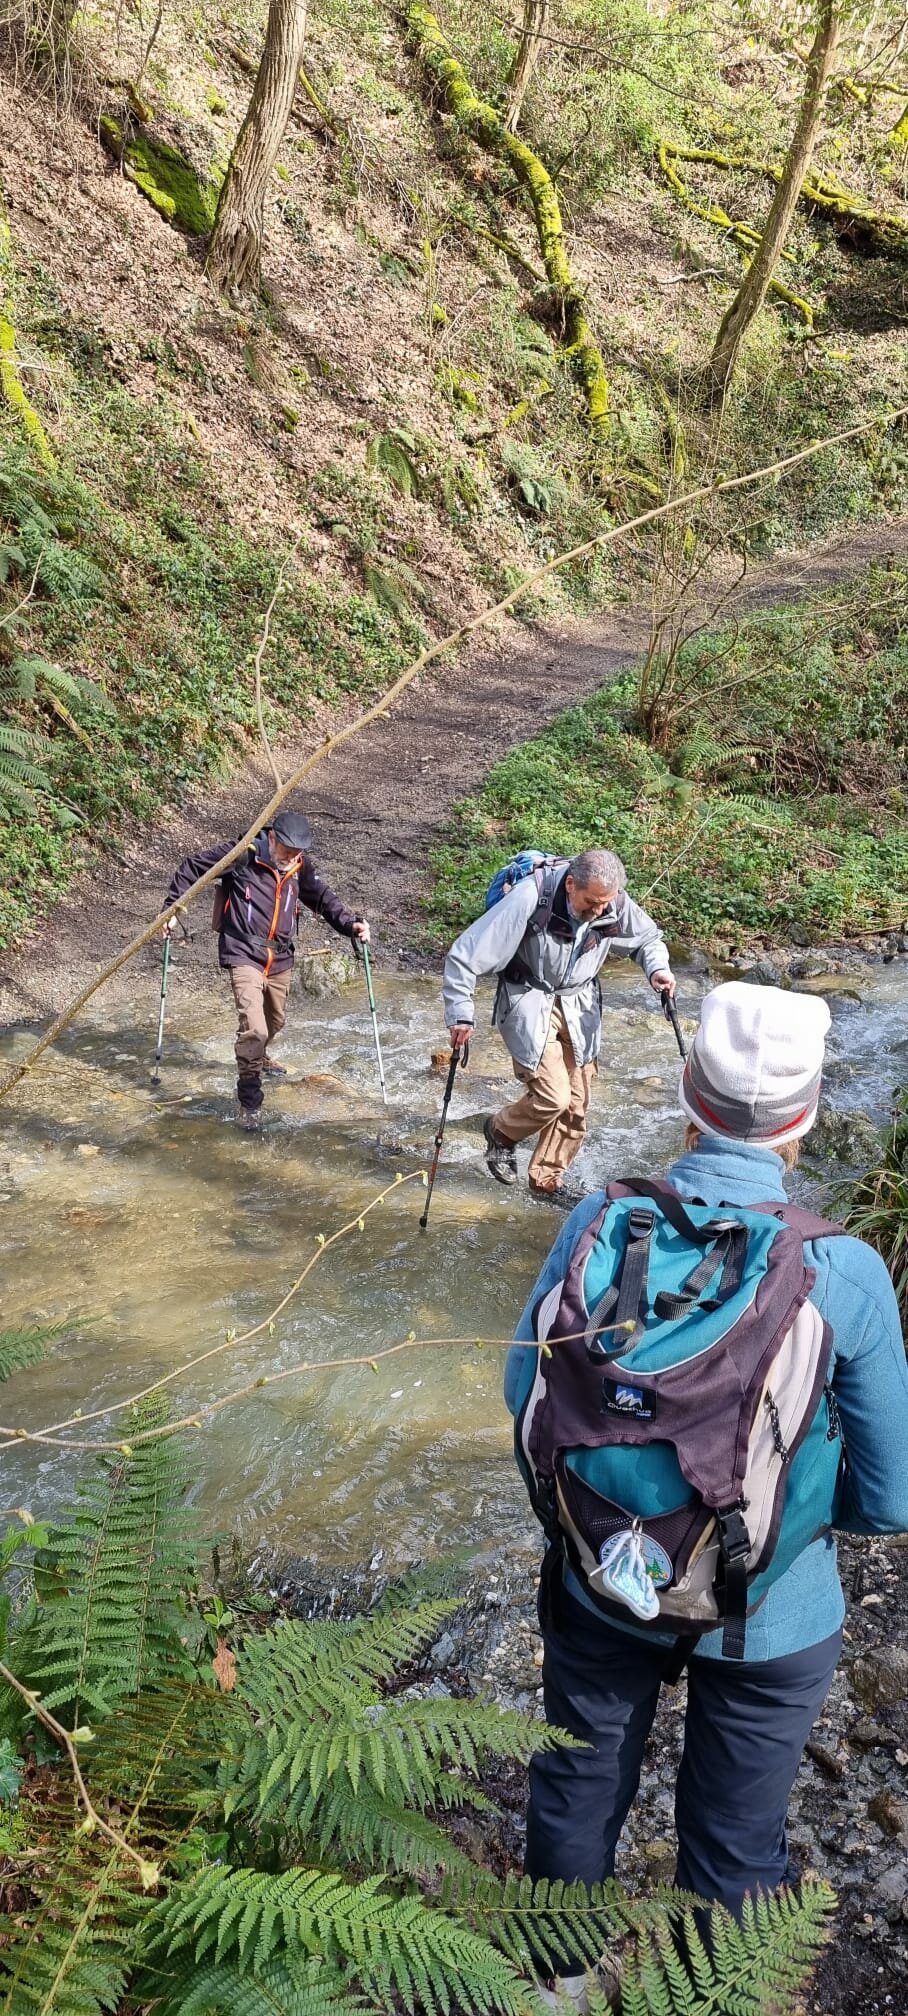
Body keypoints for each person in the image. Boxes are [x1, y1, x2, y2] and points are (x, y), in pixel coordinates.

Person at [504, 981, 908, 2011]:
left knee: (577, 1782)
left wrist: (590, 1524)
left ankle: (558, 1979)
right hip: (770, 1613)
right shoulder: (842, 1270)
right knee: (733, 1837)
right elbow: (888, 1494)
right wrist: (797, 1533)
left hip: (602, 1579)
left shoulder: (600, 1217)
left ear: (688, 1098)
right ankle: (710, 1992)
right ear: (803, 1118)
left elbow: (525, 1393)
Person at [442, 847, 674, 1201]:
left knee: (577, 1105)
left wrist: (658, 969)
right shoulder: (530, 897)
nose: (599, 911)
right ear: (569, 884)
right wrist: (461, 1012)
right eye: (590, 903)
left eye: (605, 904)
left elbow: (647, 939)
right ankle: (500, 1132)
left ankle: (545, 1182)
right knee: (554, 1096)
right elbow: (465, 954)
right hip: (530, 998)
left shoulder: (614, 902)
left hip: (580, 1004)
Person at [162, 810, 369, 1128]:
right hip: (243, 951)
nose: (290, 858)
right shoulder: (243, 854)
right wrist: (173, 908)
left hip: (281, 958)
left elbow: (322, 898)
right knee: (254, 1028)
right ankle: (249, 1102)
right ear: (271, 839)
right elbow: (193, 866)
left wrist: (350, 924)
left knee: (275, 1020)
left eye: (297, 853)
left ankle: (258, 1055)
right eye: (286, 851)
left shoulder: (300, 867)